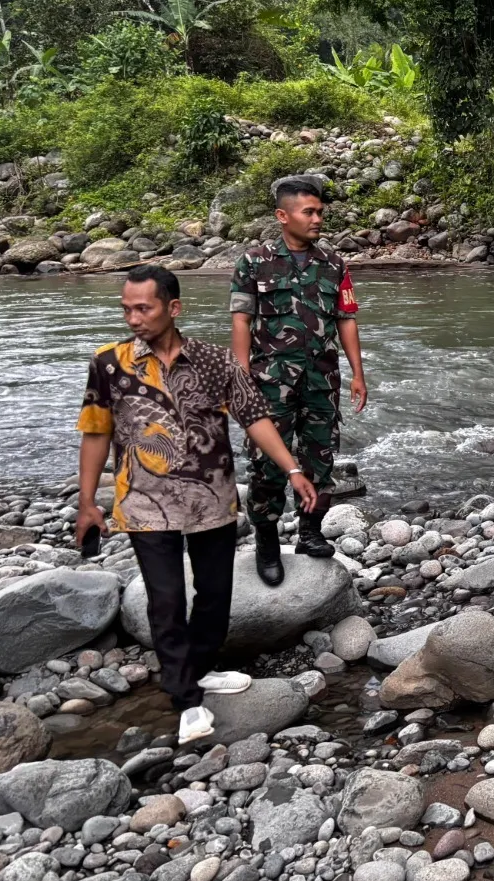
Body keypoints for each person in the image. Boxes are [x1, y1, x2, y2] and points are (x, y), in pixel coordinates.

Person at [75, 267, 319, 744]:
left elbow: (254, 418)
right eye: (126, 308)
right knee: (165, 601)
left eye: (143, 308)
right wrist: (88, 502)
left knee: (215, 594)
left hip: (211, 497)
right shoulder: (109, 363)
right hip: (145, 501)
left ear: (173, 308)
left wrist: (292, 469)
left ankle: (201, 667)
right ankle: (186, 700)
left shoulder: (216, 361)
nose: (133, 318)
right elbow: (96, 431)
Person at [229, 177, 367, 585]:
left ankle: (310, 532)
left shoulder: (333, 263)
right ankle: (268, 542)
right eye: (309, 212)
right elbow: (241, 321)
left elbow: (346, 319)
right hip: (269, 382)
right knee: (267, 464)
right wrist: (239, 378)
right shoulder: (254, 261)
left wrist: (357, 373)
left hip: (322, 380)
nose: (317, 218)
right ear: (282, 216)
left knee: (320, 460)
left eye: (320, 212)